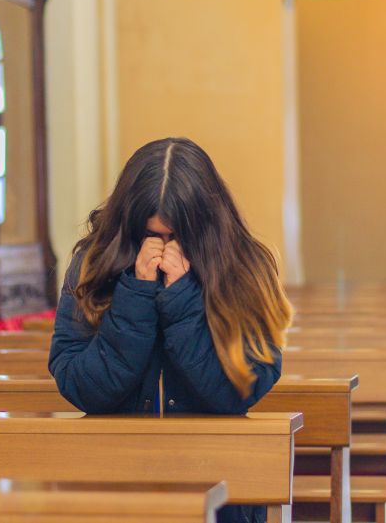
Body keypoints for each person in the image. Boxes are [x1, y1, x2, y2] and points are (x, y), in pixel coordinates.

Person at [48, 137, 292, 523]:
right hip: (114, 483)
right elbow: (81, 387)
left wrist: (182, 301)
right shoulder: (92, 264)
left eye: (176, 237)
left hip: (223, 483)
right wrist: (136, 296)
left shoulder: (247, 266)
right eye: (151, 236)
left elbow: (241, 390)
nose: (163, 250)